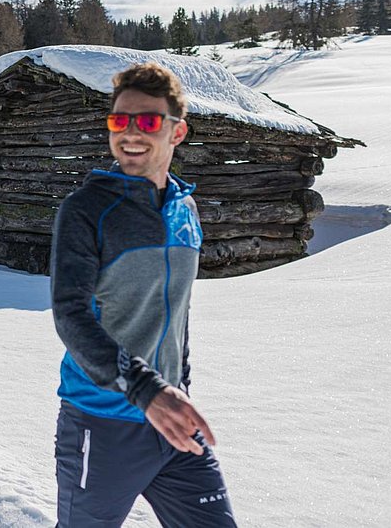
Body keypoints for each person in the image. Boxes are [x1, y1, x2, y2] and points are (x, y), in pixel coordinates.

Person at [50, 62, 236, 527]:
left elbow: (177, 312)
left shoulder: (184, 208)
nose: (131, 132)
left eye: (148, 121)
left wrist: (177, 384)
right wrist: (144, 388)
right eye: (120, 120)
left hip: (171, 419)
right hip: (103, 420)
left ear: (177, 132)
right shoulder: (87, 210)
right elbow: (71, 316)